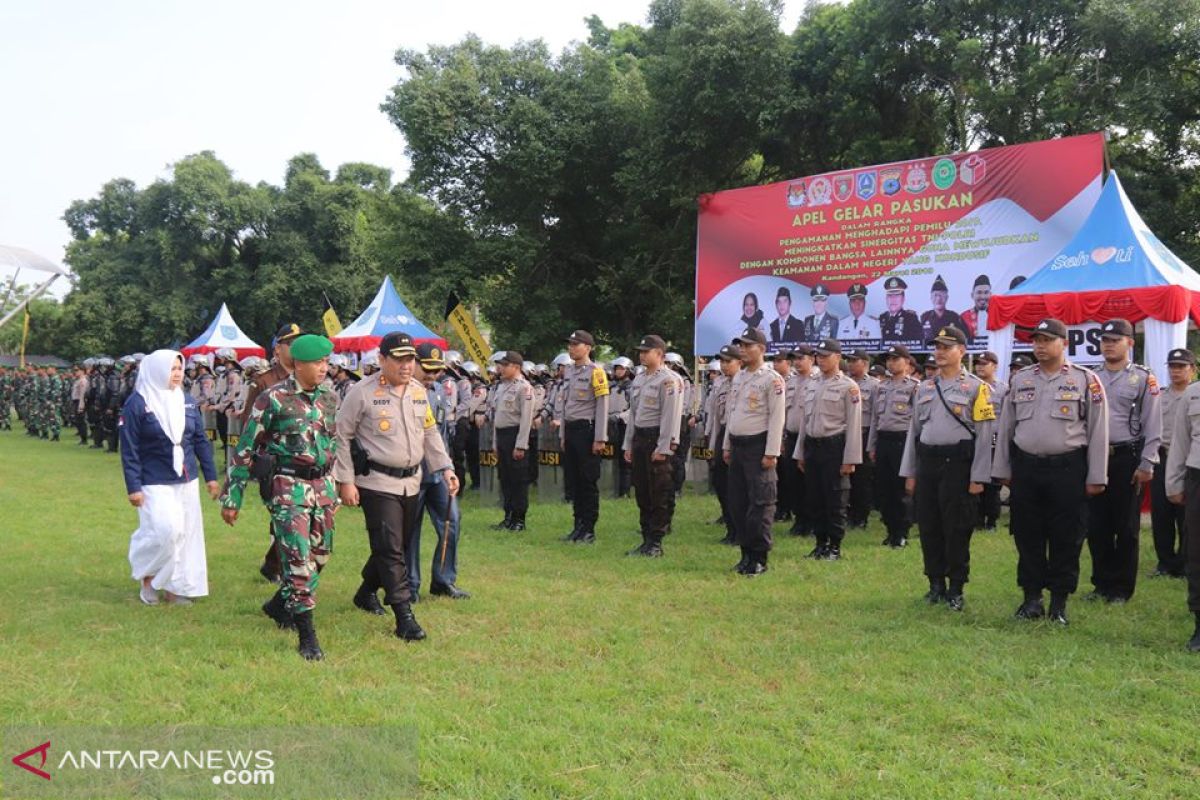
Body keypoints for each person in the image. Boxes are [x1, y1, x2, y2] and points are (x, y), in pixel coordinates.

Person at [334, 334, 459, 644]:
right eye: (400, 359)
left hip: (412, 481)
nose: (407, 366)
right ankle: (404, 615)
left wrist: (445, 468)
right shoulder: (361, 393)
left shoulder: (419, 392)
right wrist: (345, 480)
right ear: (382, 359)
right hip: (376, 481)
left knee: (395, 545)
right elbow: (342, 435)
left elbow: (430, 434)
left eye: (410, 360)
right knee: (391, 548)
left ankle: (365, 592)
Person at [221, 334, 339, 660]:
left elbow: (334, 444)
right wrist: (233, 498)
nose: (323, 368)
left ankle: (277, 604)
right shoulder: (273, 399)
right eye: (318, 363)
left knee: (321, 556)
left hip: (323, 489)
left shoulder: (330, 398)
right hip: (289, 488)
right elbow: (245, 447)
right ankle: (307, 636)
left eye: (327, 362)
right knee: (299, 561)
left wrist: (340, 484)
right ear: (298, 364)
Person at [993, 318, 1109, 626]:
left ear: (1064, 343)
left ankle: (1059, 602)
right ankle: (1031, 598)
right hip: (1027, 468)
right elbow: (1006, 427)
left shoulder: (1086, 380)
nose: (1040, 346)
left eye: (1046, 340)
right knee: (1027, 534)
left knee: (1066, 536)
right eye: (1036, 341)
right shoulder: (1020, 380)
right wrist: (1002, 468)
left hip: (1067, 468)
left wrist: (1097, 475)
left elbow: (1099, 430)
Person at [899, 326, 995, 610]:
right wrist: (910, 472)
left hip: (959, 463)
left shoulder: (978, 388)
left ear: (962, 351)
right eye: (937, 347)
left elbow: (985, 434)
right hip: (928, 461)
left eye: (946, 347)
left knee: (956, 527)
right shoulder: (925, 387)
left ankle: (955, 587)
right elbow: (914, 432)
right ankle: (935, 583)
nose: (939, 352)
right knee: (929, 525)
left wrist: (979, 477)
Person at [120, 350, 219, 606]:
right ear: (156, 370)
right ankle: (149, 577)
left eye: (179, 368)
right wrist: (133, 486)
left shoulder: (186, 401)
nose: (177, 374)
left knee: (186, 534)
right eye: (172, 369)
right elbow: (129, 448)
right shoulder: (138, 403)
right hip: (153, 479)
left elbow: (199, 440)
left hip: (186, 478)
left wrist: (211, 477)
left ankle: (176, 588)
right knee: (166, 530)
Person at [1085, 319, 1161, 604]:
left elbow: (1153, 423)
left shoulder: (1143, 378)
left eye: (1115, 340)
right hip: (1096, 458)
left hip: (1127, 458)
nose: (1108, 344)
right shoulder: (1091, 377)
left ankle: (1121, 588)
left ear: (1130, 342)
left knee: (1126, 526)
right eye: (1105, 340)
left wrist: (1147, 463)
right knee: (1097, 525)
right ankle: (1101, 583)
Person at [408, 343, 470, 601]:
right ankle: (410, 586)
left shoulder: (439, 393)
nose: (432, 375)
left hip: (438, 473)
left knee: (451, 522)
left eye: (436, 370)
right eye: (427, 369)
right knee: (410, 532)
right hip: (411, 473)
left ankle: (444, 580)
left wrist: (448, 467)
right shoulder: (403, 393)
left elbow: (442, 434)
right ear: (413, 363)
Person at [241, 323, 303, 584]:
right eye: (291, 343)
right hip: (275, 460)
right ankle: (280, 565)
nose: (296, 348)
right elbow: (249, 422)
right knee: (284, 517)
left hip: (305, 459)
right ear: (278, 348)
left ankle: (273, 563)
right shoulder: (264, 381)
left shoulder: (308, 375)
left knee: (301, 518)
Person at [723, 327, 786, 576]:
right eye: (741, 345)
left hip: (758, 447)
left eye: (748, 345)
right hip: (738, 445)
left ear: (761, 349)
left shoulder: (771, 379)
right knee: (738, 502)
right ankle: (745, 554)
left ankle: (759, 557)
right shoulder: (739, 377)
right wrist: (727, 444)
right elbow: (733, 413)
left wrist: (771, 452)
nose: (743, 349)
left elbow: (776, 418)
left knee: (760, 503)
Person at [793, 338, 862, 560]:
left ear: (838, 357)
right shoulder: (812, 384)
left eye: (825, 356)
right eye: (818, 356)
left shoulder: (848, 387)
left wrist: (850, 458)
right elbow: (805, 420)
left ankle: (834, 546)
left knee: (835, 499)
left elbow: (854, 425)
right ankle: (820, 543)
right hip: (813, 445)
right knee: (815, 498)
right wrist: (800, 451)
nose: (821, 360)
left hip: (835, 446)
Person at [623, 335, 684, 557]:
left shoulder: (669, 380)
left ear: (659, 354)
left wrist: (664, 447)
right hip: (640, 437)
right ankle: (646, 538)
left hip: (656, 438)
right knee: (642, 490)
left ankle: (656, 541)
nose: (642, 355)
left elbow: (671, 416)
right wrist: (628, 443)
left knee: (659, 490)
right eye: (640, 351)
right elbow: (633, 414)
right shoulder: (639, 379)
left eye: (646, 351)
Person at [558, 330, 610, 543]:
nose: (571, 348)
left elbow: (602, 405)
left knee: (588, 481)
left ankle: (588, 528)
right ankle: (577, 525)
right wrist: (562, 433)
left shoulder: (596, 372)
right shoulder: (569, 371)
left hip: (586, 431)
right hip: (571, 430)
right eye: (570, 344)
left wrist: (600, 437)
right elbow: (564, 404)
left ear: (588, 348)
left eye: (576, 344)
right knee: (574, 481)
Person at [1164, 358, 1200, 650]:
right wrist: (1173, 482)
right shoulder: (1193, 394)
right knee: (1196, 552)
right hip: (1197, 478)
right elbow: (1180, 442)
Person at [868, 345, 919, 548]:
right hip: (883, 441)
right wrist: (872, 445)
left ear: (907, 362)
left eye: (896, 359)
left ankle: (902, 532)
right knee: (884, 489)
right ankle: (890, 529)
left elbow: (918, 421)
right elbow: (874, 419)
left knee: (901, 490)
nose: (891, 362)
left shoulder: (915, 387)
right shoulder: (881, 387)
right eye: (888, 359)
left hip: (903, 442)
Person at [1152, 348, 1194, 578]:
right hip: (1163, 458)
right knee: (1161, 514)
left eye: (1181, 366)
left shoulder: (1195, 395)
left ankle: (1187, 562)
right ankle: (1165, 563)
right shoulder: (1159, 395)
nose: (1176, 371)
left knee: (1187, 515)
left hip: (1189, 462)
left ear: (1192, 369)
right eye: (1172, 366)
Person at [491, 351, 534, 531]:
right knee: (505, 478)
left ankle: (519, 519)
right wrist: (494, 442)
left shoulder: (524, 387)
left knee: (518, 480)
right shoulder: (501, 386)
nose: (500, 368)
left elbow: (526, 418)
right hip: (502, 435)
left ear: (516, 367)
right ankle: (508, 515)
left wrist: (521, 445)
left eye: (505, 365)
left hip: (515, 435)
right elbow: (497, 417)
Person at [705, 347, 741, 544]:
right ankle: (730, 527)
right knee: (721, 483)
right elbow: (715, 418)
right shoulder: (719, 383)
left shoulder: (745, 381)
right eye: (722, 361)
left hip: (739, 435)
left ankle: (740, 529)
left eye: (729, 361)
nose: (724, 365)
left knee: (737, 487)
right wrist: (712, 444)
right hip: (722, 436)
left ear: (739, 362)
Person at [972, 351, 1007, 530]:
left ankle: (991, 520)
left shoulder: (1002, 389)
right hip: (975, 439)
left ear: (995, 366)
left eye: (984, 363)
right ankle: (977, 519)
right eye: (978, 363)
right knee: (976, 480)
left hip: (994, 440)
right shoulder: (971, 386)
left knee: (993, 484)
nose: (979, 366)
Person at [845, 349, 878, 529]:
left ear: (864, 363)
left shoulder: (874, 385)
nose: (850, 364)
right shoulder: (844, 383)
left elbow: (875, 415)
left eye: (854, 360)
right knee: (845, 477)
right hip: (845, 433)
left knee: (861, 479)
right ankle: (848, 513)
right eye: (848, 360)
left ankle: (861, 516)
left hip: (863, 434)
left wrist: (872, 441)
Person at [919, 275, 966, 343]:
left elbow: (963, 339)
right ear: (931, 298)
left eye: (941, 295)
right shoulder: (924, 317)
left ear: (947, 297)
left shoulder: (954, 317)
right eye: (935, 295)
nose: (938, 299)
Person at [878, 277, 922, 343]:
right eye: (890, 296)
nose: (893, 299)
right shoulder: (881, 318)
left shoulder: (911, 319)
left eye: (897, 295)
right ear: (886, 299)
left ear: (903, 299)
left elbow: (918, 345)